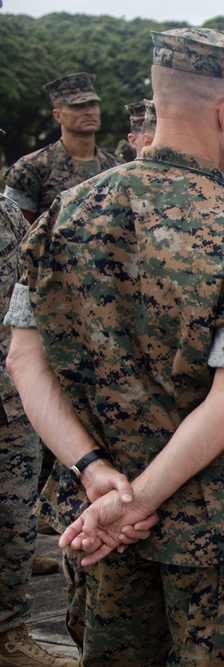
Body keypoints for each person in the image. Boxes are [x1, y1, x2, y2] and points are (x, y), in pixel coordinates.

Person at [4, 28, 224, 664]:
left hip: (101, 521)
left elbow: (24, 359)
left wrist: (97, 477)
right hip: (219, 536)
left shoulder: (62, 216)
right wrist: (139, 501)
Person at [0, 193, 75, 667]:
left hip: (8, 394)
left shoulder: (5, 212)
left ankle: (8, 631)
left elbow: (31, 293)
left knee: (13, 517)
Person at [3, 72, 124, 223]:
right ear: (57, 115)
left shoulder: (117, 167)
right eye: (78, 106)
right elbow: (17, 232)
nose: (89, 112)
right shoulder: (30, 169)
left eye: (93, 104)